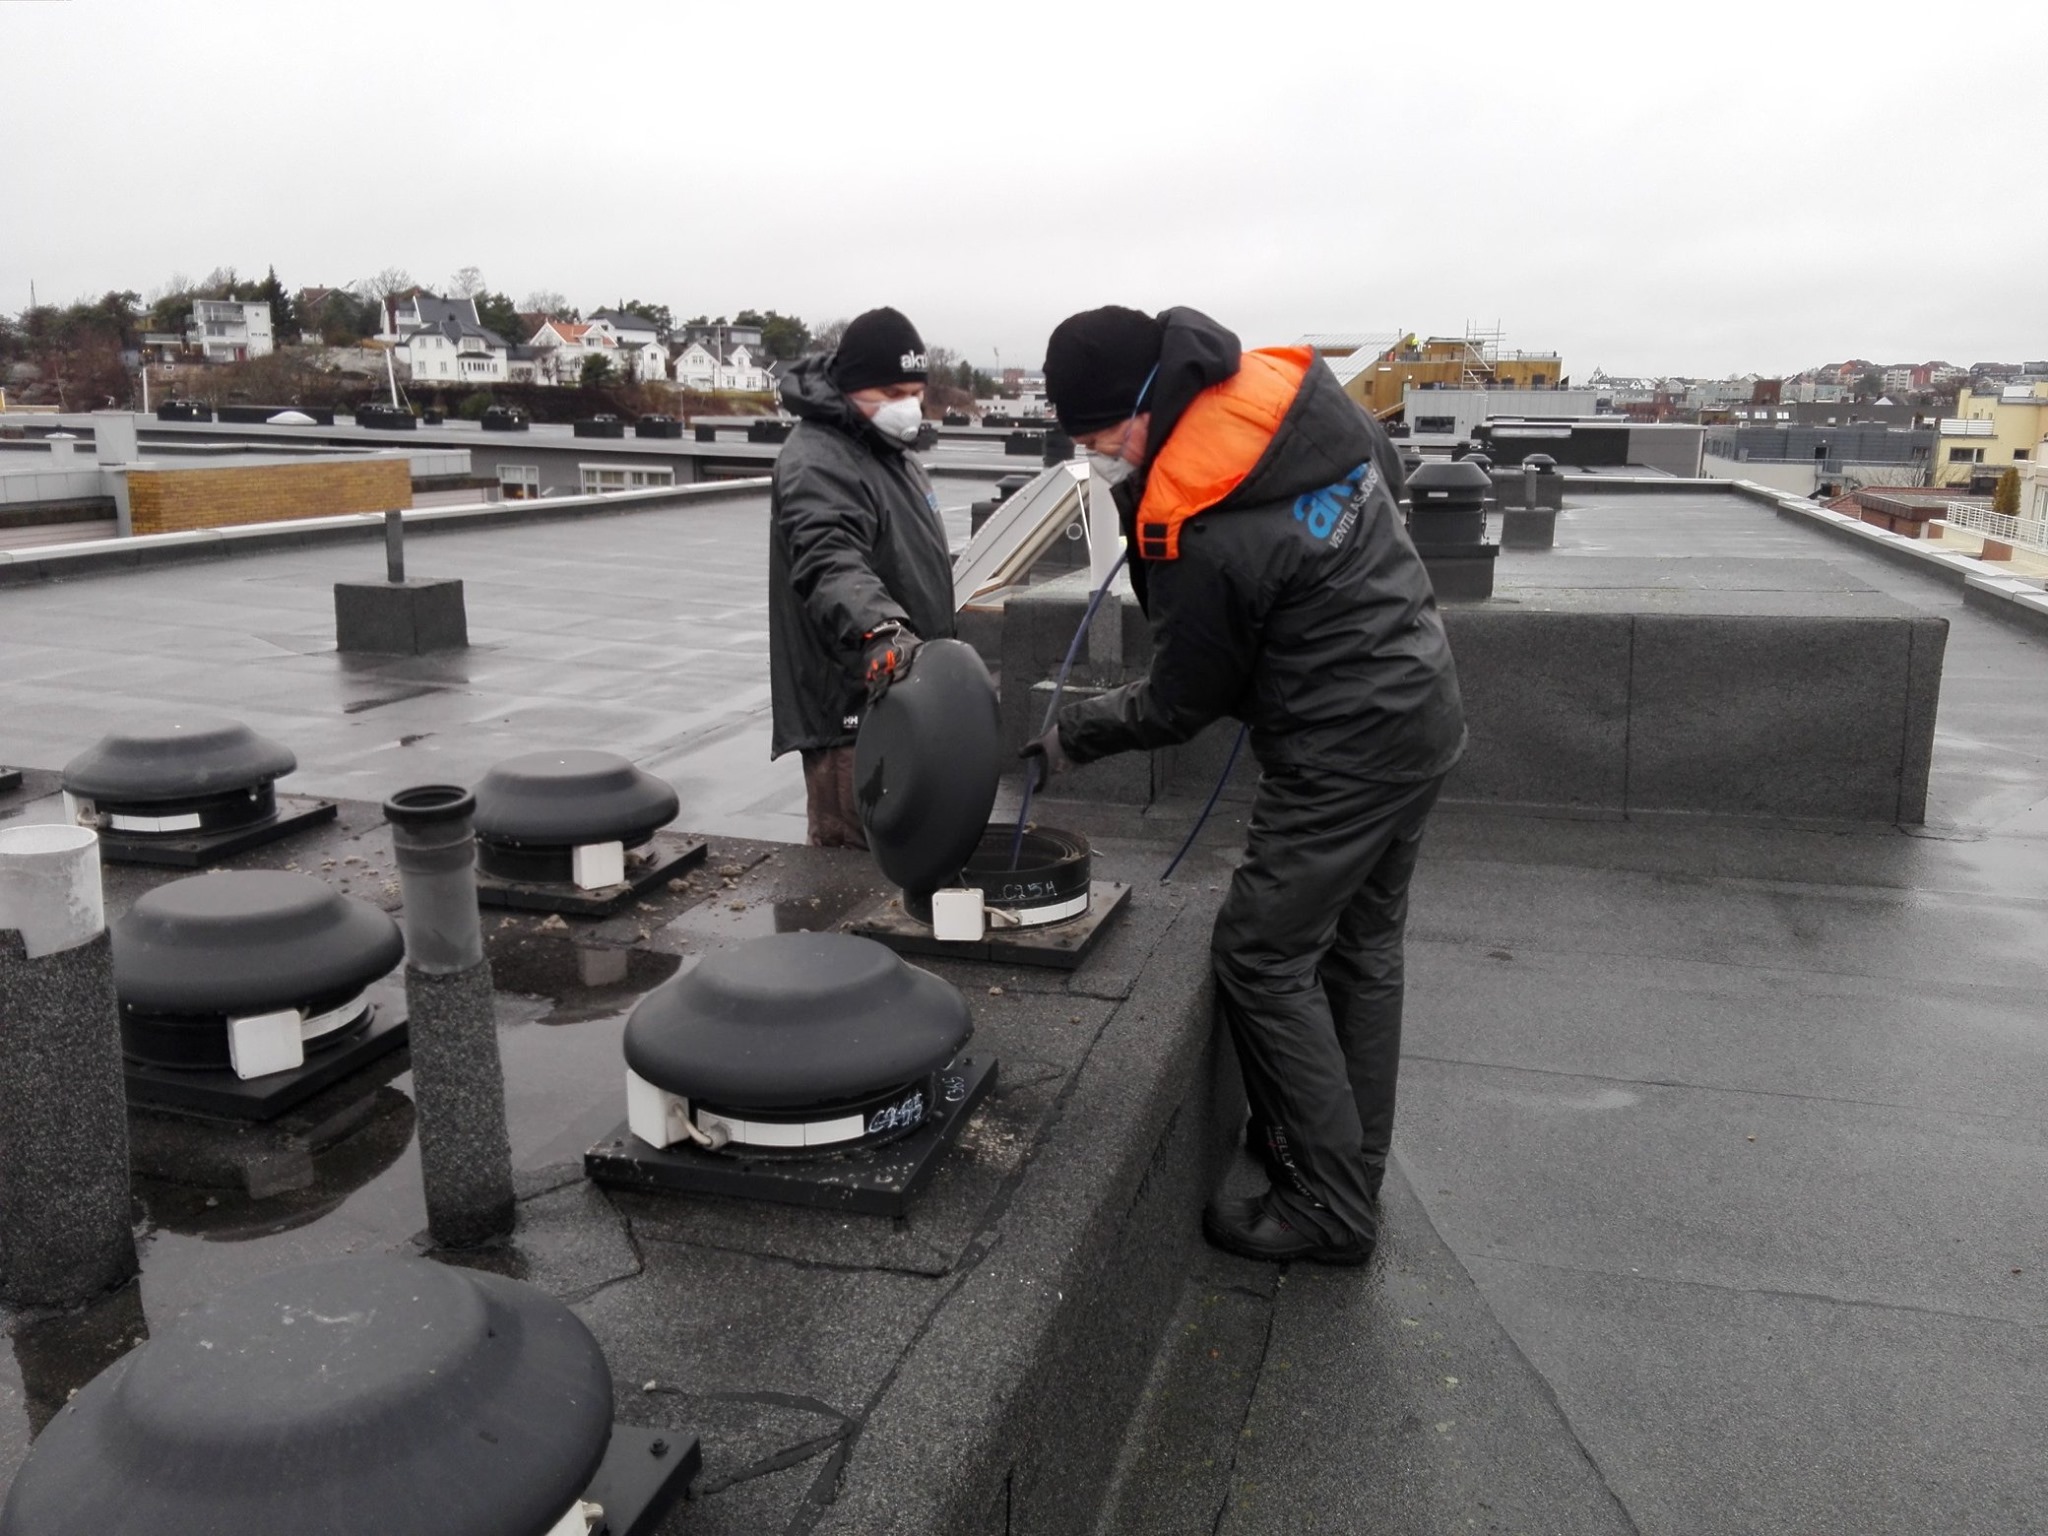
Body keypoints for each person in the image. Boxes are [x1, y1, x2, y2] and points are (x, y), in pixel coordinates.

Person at [1023, 305, 1466, 1265]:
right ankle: (1346, 1158)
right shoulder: (1287, 399)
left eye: (1102, 437)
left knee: (1263, 954)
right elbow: (1378, 491)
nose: (1100, 458)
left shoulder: (1198, 520)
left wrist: (1069, 736)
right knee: (1363, 946)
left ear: (1145, 403)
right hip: (1421, 705)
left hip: (1342, 748)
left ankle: (1331, 1208)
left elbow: (1184, 701)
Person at [767, 307, 955, 848]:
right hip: (854, 710)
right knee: (853, 876)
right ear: (851, 387)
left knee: (905, 863)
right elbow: (829, 559)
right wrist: (881, 630)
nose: (909, 407)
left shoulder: (885, 448)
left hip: (902, 695)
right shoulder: (818, 460)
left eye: (916, 391)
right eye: (893, 391)